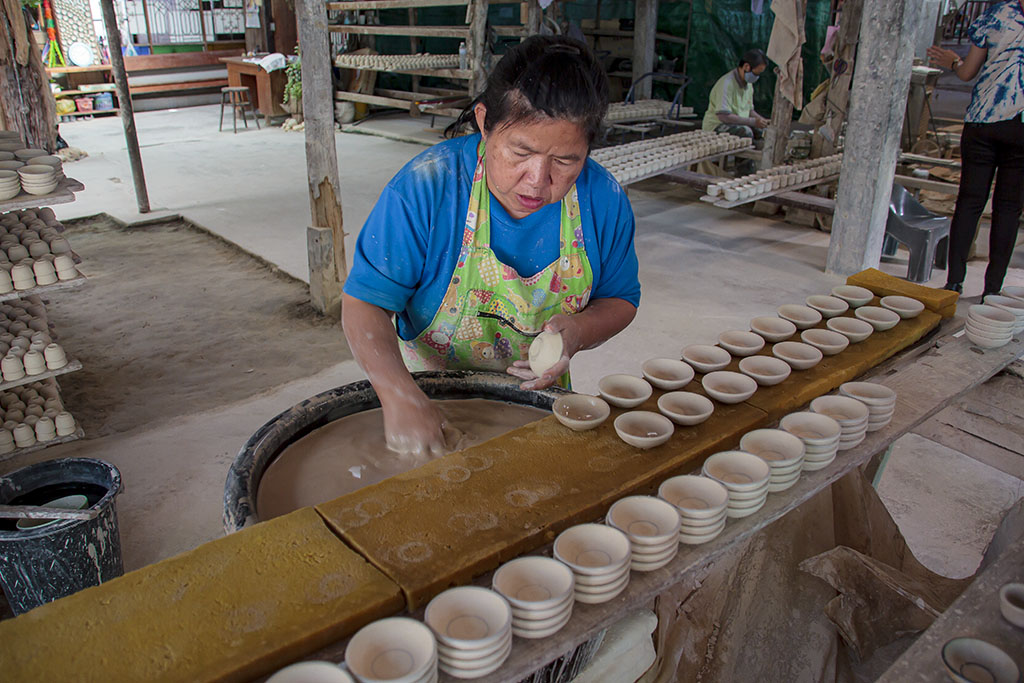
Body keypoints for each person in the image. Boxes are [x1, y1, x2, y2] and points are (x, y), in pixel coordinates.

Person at [341, 36, 641, 461]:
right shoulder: (428, 188)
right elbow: (364, 305)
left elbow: (621, 299)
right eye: (521, 152)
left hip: (538, 407)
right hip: (432, 409)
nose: (537, 180)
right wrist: (399, 396)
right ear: (484, 122)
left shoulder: (603, 200)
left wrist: (580, 331)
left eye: (566, 161)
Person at [927, 0, 1024, 298]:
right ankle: (991, 291)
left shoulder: (997, 14)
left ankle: (954, 282)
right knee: (1008, 209)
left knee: (969, 202)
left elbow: (968, 72)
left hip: (983, 121)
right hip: (1021, 128)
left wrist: (953, 62)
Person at [702, 49, 771, 174]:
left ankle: (758, 168)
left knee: (763, 132)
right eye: (756, 73)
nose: (756, 77)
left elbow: (749, 110)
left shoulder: (748, 85)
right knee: (746, 132)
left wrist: (762, 121)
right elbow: (723, 116)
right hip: (717, 125)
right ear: (746, 66)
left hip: (738, 122)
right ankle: (744, 173)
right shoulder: (727, 84)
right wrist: (753, 122)